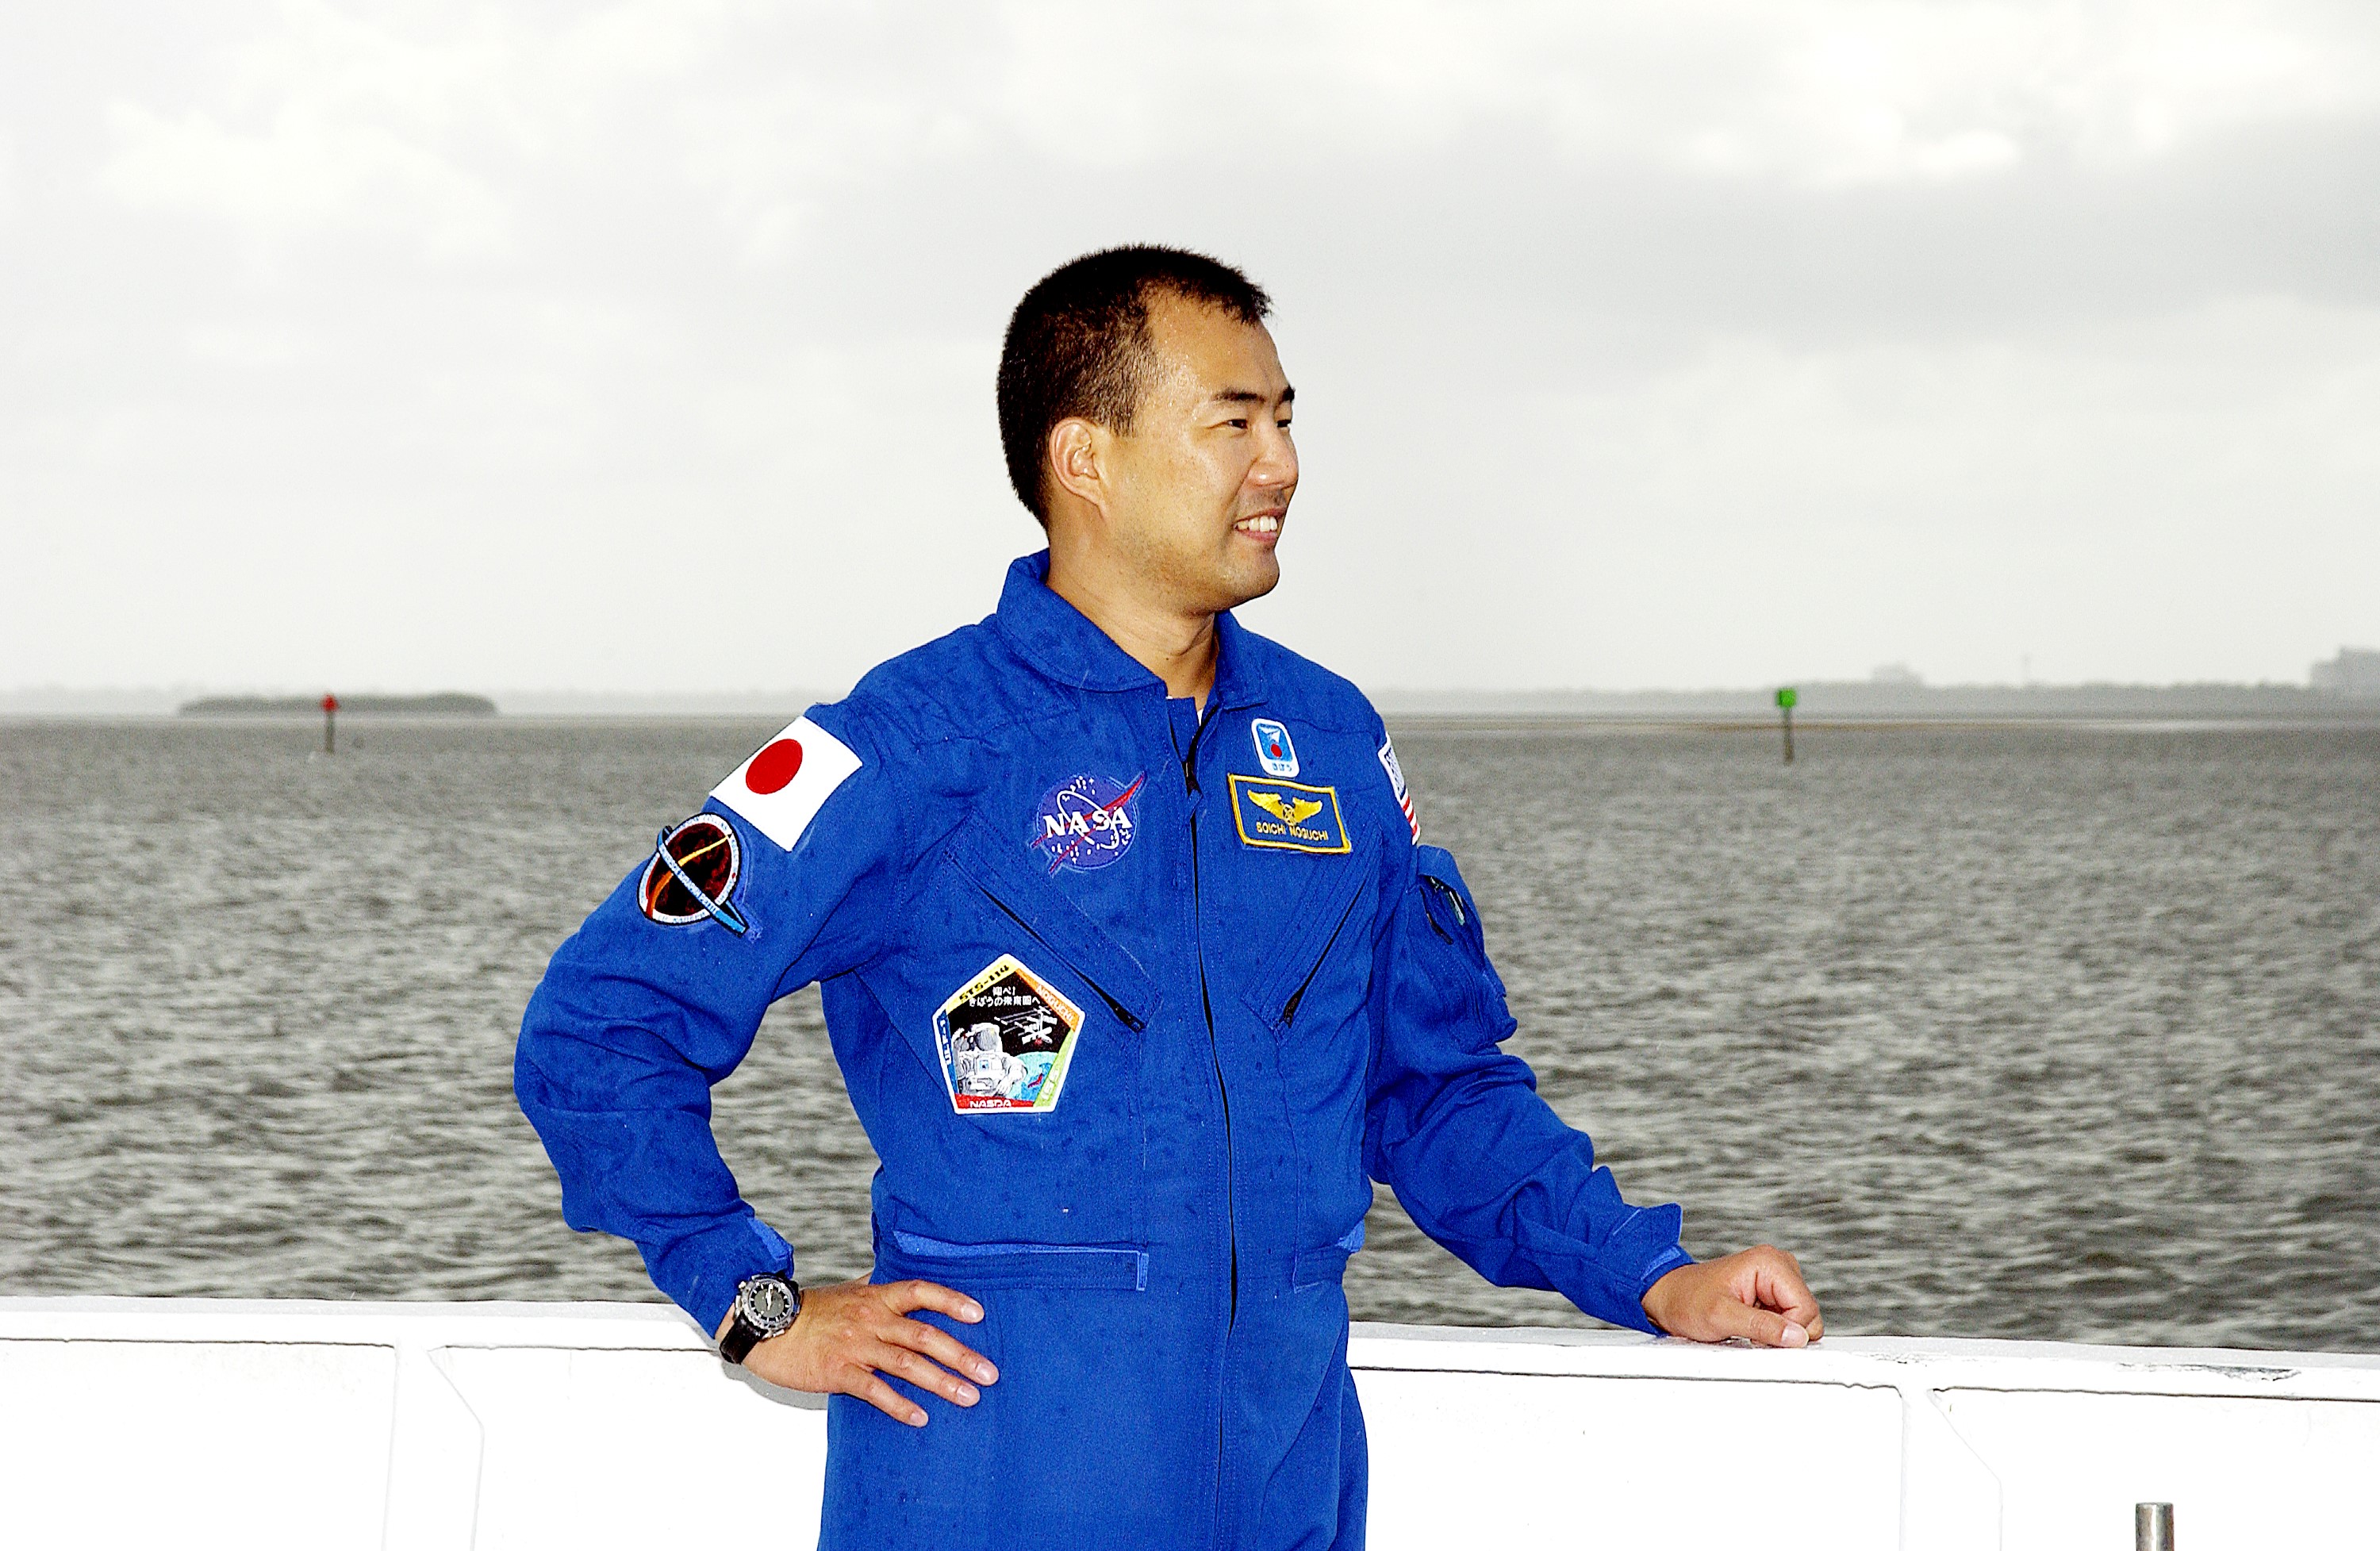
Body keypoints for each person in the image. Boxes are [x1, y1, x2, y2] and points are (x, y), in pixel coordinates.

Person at [516, 246, 1822, 1550]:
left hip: (1284, 1495)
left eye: (1288, 419)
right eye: (1234, 423)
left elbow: (1433, 1089)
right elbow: (601, 1026)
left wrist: (1652, 1275)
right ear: (1085, 458)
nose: (1283, 466)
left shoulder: (1328, 741)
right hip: (991, 1492)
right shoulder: (914, 747)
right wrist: (757, 1306)